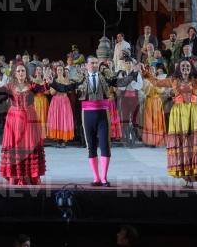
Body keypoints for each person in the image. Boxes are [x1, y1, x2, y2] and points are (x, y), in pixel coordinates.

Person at [48, 56, 140, 186]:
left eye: (96, 63)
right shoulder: (81, 78)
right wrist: (52, 83)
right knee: (91, 146)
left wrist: (133, 73)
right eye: (92, 63)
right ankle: (96, 178)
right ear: (86, 65)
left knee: (105, 145)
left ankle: (104, 178)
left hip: (103, 113)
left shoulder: (105, 76)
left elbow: (120, 82)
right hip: (87, 114)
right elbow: (66, 88)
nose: (94, 65)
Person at [143, 59, 197, 187]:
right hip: (178, 115)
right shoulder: (173, 80)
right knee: (181, 144)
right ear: (179, 68)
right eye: (183, 66)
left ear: (191, 68)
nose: (185, 68)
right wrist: (146, 74)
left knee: (192, 143)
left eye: (187, 66)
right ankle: (186, 175)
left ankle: (192, 173)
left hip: (193, 113)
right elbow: (156, 82)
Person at [0, 61, 46, 185]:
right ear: (14, 73)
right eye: (18, 71)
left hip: (30, 118)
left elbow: (43, 88)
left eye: (23, 71)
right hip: (14, 120)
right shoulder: (9, 86)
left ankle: (30, 175)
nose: (20, 73)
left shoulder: (32, 85)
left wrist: (46, 81)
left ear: (26, 73)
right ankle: (16, 175)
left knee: (29, 146)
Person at [46, 65, 75, 146]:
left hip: (65, 101)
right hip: (56, 101)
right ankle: (58, 139)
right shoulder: (54, 80)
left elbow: (69, 91)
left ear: (63, 71)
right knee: (57, 118)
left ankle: (64, 139)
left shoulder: (67, 80)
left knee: (64, 119)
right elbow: (52, 93)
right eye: (58, 70)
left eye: (61, 69)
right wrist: (55, 85)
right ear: (56, 71)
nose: (59, 71)